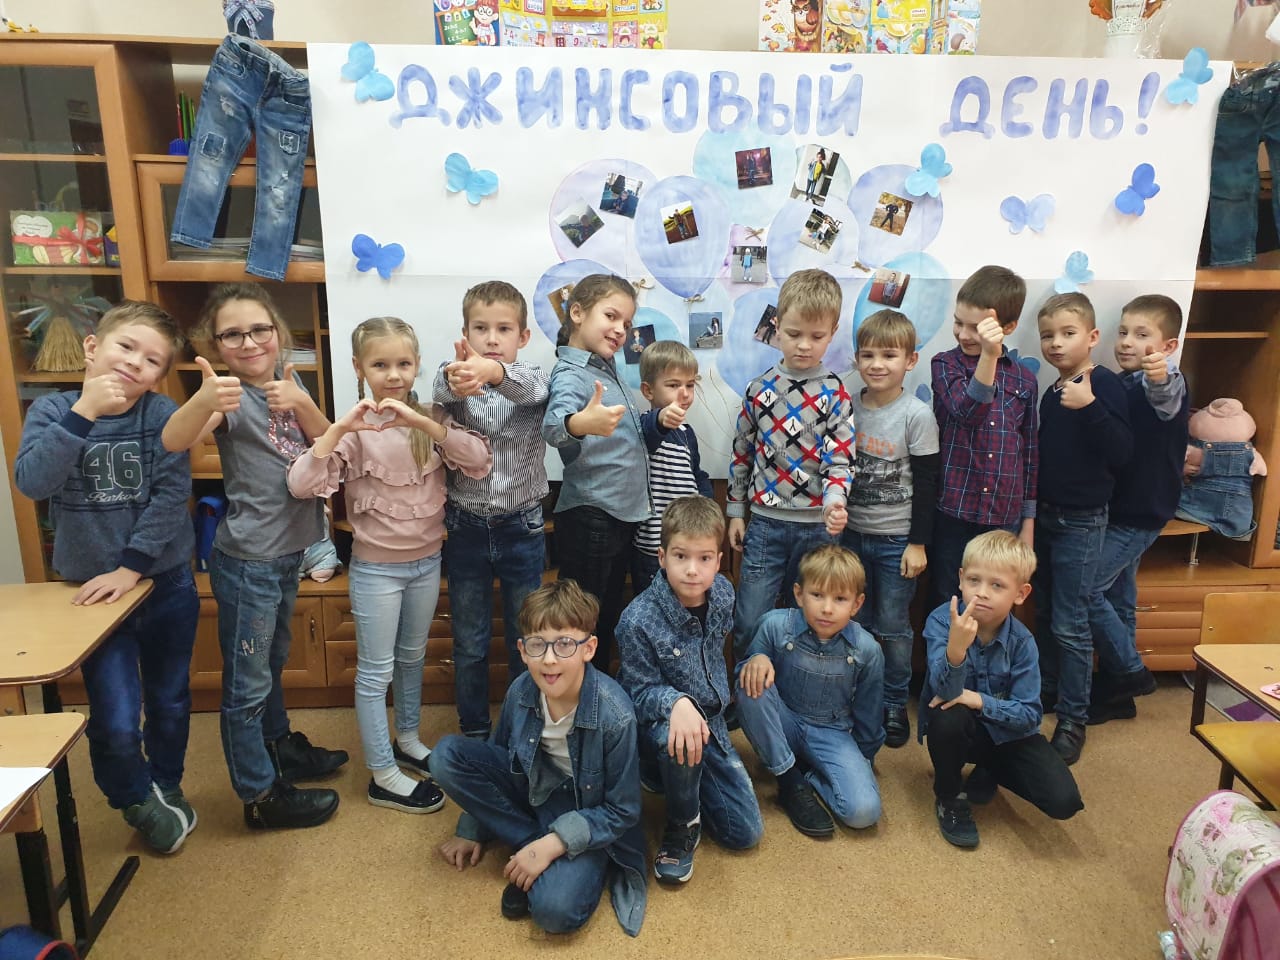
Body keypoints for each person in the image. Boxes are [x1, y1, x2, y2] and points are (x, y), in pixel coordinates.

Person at [161, 282, 348, 830]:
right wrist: (203, 398)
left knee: (271, 664)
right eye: (232, 334)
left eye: (259, 329)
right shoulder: (227, 398)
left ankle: (278, 747)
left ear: (277, 332)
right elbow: (174, 440)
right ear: (215, 344)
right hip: (250, 563)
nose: (248, 342)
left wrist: (304, 402)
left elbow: (329, 444)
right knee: (247, 682)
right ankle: (260, 795)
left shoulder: (289, 382)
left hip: (289, 553)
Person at [15, 301, 200, 854]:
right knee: (117, 716)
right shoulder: (53, 410)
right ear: (93, 346)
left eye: (152, 359)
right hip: (93, 595)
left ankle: (165, 785)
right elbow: (33, 482)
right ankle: (135, 799)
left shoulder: (162, 413)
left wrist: (131, 567)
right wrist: (84, 413)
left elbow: (171, 495)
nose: (136, 363)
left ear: (159, 375)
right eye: (127, 346)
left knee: (170, 700)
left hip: (163, 584)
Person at [288, 317, 492, 813]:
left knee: (412, 658)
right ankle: (382, 773)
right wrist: (339, 428)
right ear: (359, 368)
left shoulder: (431, 417)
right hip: (376, 571)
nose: (394, 374)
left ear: (417, 364)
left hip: (426, 563)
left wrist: (424, 423)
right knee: (375, 672)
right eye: (380, 364)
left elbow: (478, 459)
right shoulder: (354, 431)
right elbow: (300, 484)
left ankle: (408, 740)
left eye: (403, 363)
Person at [430, 580, 647, 937]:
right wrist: (472, 827)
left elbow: (623, 811)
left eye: (564, 644)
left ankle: (543, 852)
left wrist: (556, 842)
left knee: (554, 912)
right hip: (534, 789)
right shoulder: (521, 691)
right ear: (522, 650)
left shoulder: (616, 716)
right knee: (445, 756)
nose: (549, 659)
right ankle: (533, 844)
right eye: (537, 645)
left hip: (586, 811)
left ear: (589, 648)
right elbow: (500, 757)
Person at [617, 497, 762, 883]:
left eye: (704, 558)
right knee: (676, 739)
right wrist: (676, 702)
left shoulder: (724, 594)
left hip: (710, 722)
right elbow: (636, 693)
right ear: (662, 557)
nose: (693, 570)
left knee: (744, 833)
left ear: (718, 561)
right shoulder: (636, 620)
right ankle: (682, 821)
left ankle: (676, 775)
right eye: (681, 556)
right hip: (661, 724)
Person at [432, 281, 550, 740]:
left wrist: (493, 372)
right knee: (470, 641)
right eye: (481, 329)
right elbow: (441, 386)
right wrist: (461, 376)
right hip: (465, 528)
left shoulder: (533, 378)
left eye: (504, 329)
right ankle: (475, 732)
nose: (492, 338)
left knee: (527, 638)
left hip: (522, 526)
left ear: (523, 336)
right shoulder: (456, 374)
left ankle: (524, 731)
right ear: (466, 333)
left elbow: (529, 391)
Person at [920, 530, 1083, 849]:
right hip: (961, 727)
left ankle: (991, 767)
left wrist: (978, 700)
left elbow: (1030, 715)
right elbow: (945, 692)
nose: (981, 593)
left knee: (1063, 801)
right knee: (946, 715)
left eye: (997, 585)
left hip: (1008, 734)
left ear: (1020, 593)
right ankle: (949, 796)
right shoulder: (941, 622)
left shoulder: (1022, 641)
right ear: (961, 579)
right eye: (974, 580)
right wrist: (956, 649)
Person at [727, 268, 854, 659]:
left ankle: (796, 685)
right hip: (766, 524)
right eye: (794, 333)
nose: (804, 345)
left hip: (818, 526)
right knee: (751, 619)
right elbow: (742, 451)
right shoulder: (758, 389)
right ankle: (747, 686)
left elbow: (840, 456)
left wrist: (835, 501)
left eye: (816, 336)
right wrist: (735, 511)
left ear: (832, 333)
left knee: (811, 621)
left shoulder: (835, 392)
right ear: (777, 326)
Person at [1034, 292, 1132, 765]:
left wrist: (1090, 404)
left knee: (1071, 623)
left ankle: (1074, 718)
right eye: (1047, 335)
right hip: (1046, 517)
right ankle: (1050, 690)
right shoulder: (1051, 391)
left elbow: (1123, 452)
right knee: (1045, 611)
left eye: (1067, 333)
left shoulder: (1103, 384)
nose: (1056, 343)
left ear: (1092, 337)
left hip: (1083, 521)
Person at [736, 544, 884, 838]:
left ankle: (809, 771)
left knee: (864, 812)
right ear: (799, 594)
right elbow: (747, 676)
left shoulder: (867, 649)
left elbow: (870, 712)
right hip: (784, 722)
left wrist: (862, 760)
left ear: (857, 604)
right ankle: (789, 779)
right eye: (817, 595)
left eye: (840, 599)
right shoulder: (775, 625)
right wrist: (758, 657)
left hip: (833, 732)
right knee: (749, 679)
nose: (827, 608)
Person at [1087, 295, 1188, 724]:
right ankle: (1118, 692)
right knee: (1119, 597)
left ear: (1168, 346)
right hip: (1123, 507)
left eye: (1141, 334)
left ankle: (1131, 672)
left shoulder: (1165, 381)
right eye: (1123, 332)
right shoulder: (1121, 382)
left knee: (1086, 589)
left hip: (1141, 512)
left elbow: (1163, 393)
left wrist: (1158, 373)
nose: (1127, 341)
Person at [843, 309, 939, 748]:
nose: (877, 364)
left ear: (910, 360)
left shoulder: (916, 415)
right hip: (850, 535)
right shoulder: (846, 407)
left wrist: (918, 543)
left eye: (889, 355)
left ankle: (894, 702)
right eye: (868, 355)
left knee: (893, 626)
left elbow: (927, 484)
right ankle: (857, 697)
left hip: (897, 540)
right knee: (854, 621)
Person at [542, 274, 648, 673]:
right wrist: (579, 423)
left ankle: (595, 698)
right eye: (611, 316)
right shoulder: (572, 373)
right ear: (577, 313)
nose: (621, 329)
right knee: (582, 623)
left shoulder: (604, 368)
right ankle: (577, 697)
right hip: (592, 518)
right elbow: (553, 427)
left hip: (615, 515)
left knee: (602, 621)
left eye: (627, 323)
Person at [930, 265, 1037, 612]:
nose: (964, 334)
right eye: (958, 322)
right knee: (947, 600)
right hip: (954, 511)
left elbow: (1029, 454)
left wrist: (1028, 524)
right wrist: (989, 355)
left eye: (976, 327)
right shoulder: (945, 365)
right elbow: (968, 411)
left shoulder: (1024, 380)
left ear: (1008, 327)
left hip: (1003, 515)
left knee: (994, 606)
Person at [632, 341, 713, 593]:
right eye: (673, 385)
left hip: (689, 541)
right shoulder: (643, 425)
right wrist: (661, 419)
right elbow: (651, 430)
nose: (685, 393)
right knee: (653, 604)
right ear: (648, 390)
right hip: (653, 544)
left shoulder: (687, 433)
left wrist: (709, 508)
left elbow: (696, 475)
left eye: (690, 385)